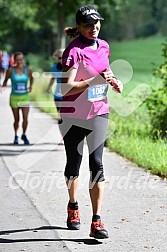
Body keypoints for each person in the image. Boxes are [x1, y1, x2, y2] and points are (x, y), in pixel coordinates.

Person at [60, 6, 123, 239]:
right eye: (88, 24)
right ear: (78, 27)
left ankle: (96, 220)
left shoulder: (103, 45)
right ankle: (73, 206)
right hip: (73, 113)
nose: (94, 27)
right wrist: (93, 80)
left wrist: (113, 81)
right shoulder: (73, 51)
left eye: (96, 23)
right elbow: (66, 88)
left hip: (98, 111)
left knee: (97, 163)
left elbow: (104, 69)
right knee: (73, 166)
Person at [1, 51, 33, 144]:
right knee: (16, 119)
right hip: (14, 97)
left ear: (23, 60)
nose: (19, 61)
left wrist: (31, 86)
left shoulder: (28, 70)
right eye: (17, 59)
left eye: (21, 59)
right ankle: (16, 135)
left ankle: (24, 134)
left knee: (25, 118)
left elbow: (31, 78)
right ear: (14, 60)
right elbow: (5, 80)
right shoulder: (11, 70)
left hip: (25, 97)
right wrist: (3, 86)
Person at [46, 49, 64, 145]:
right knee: (61, 117)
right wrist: (48, 88)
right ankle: (63, 136)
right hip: (58, 95)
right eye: (60, 58)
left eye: (64, 58)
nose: (62, 60)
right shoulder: (54, 68)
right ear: (57, 58)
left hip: (69, 95)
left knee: (69, 117)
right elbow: (53, 78)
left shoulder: (70, 67)